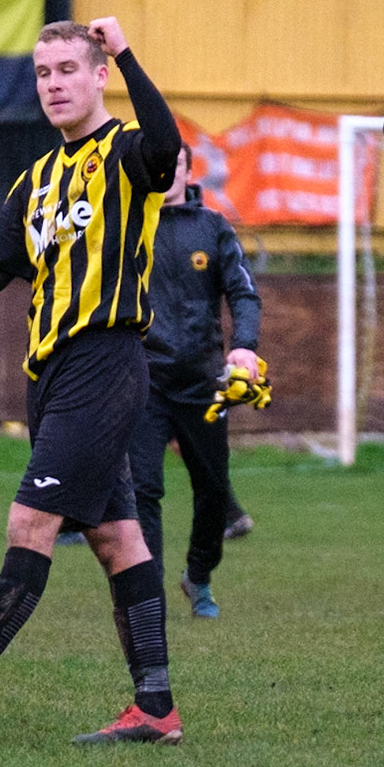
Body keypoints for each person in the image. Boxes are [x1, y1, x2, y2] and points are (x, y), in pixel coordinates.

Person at [0, 17, 189, 745]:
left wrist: (127, 46)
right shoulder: (37, 178)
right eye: (43, 72)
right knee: (119, 540)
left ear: (98, 75)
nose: (53, 83)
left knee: (30, 524)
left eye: (66, 69)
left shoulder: (125, 153)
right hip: (52, 375)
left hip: (106, 362)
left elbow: (168, 147)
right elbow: (2, 260)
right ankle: (156, 706)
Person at [126, 144, 261, 619]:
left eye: (173, 164)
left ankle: (198, 576)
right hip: (144, 381)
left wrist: (244, 345)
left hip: (204, 382)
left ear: (187, 169)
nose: (164, 172)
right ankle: (148, 594)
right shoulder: (126, 226)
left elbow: (243, 291)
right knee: (143, 488)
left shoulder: (213, 227)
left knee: (212, 488)